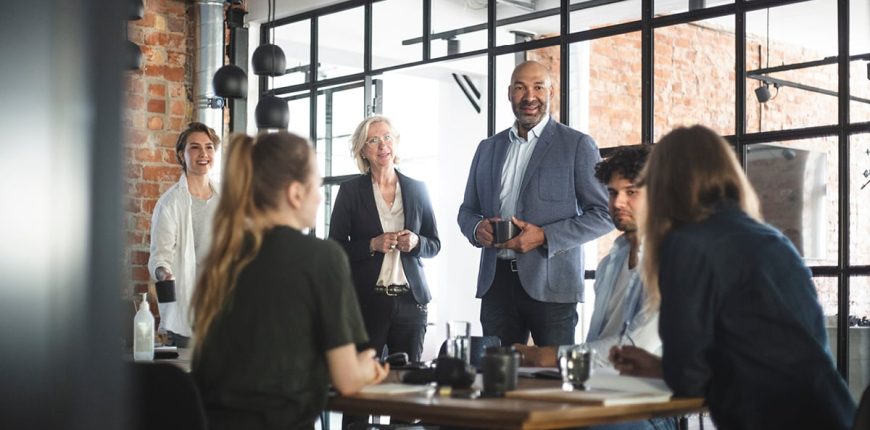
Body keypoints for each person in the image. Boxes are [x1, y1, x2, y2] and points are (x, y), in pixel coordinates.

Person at [610, 125, 856, 430]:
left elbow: (689, 377)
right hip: (831, 411)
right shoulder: (770, 237)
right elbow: (776, 353)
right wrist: (661, 368)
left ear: (663, 183)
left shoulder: (686, 242)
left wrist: (670, 369)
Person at [190, 132, 388, 430]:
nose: (321, 196)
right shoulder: (322, 258)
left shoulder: (223, 257)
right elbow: (347, 380)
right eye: (316, 186)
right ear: (295, 194)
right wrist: (367, 367)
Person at [516, 146, 675, 430]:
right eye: (613, 193)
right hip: (602, 398)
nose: (617, 203)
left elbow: (630, 354)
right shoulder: (610, 263)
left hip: (649, 410)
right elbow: (598, 346)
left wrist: (543, 356)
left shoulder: (674, 263)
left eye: (632, 192)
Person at [457, 60, 612, 347]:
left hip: (552, 287)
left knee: (552, 381)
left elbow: (604, 214)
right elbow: (467, 210)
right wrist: (477, 228)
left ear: (551, 91)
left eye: (538, 87)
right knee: (496, 379)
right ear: (509, 93)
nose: (530, 96)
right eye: (520, 88)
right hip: (497, 286)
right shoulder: (487, 148)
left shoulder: (577, 145)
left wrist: (544, 236)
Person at [329, 115, 440, 362]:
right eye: (374, 140)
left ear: (396, 142)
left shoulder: (417, 189)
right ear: (362, 150)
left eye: (387, 138)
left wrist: (416, 242)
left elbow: (434, 244)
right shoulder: (350, 192)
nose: (383, 146)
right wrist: (371, 245)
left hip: (412, 302)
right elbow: (334, 248)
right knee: (365, 382)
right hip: (368, 303)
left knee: (409, 383)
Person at [148, 122, 221, 348]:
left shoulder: (226, 200)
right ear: (182, 154)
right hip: (183, 321)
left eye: (209, 148)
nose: (203, 154)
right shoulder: (170, 204)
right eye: (195, 148)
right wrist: (163, 274)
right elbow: (159, 257)